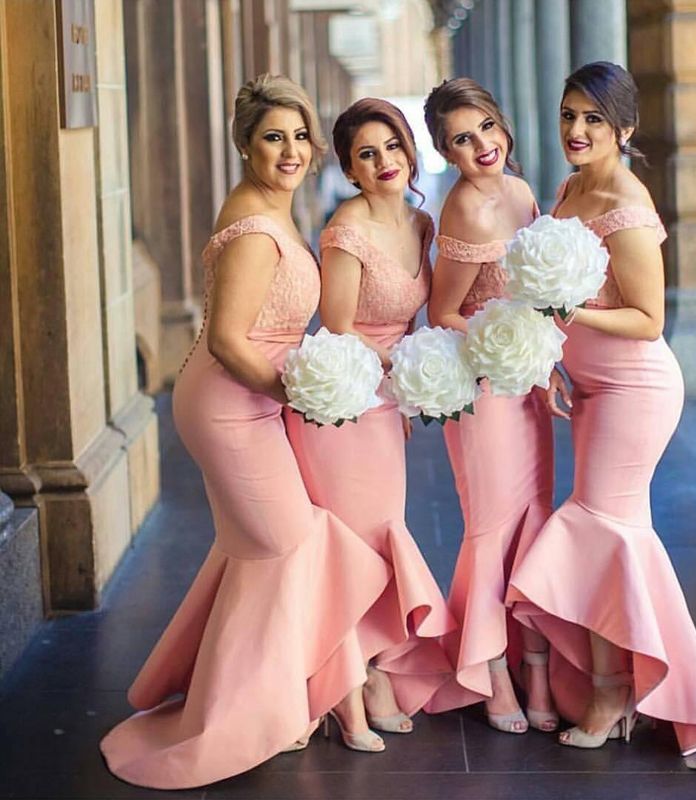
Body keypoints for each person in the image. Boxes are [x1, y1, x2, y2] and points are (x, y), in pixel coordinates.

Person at [99, 74, 392, 789]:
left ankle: (273, 701)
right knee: (291, 542)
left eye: (299, 136)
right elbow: (231, 340)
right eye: (272, 137)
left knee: (258, 552)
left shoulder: (273, 208)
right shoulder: (259, 229)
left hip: (249, 398)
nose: (289, 150)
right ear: (244, 146)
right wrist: (297, 394)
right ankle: (257, 711)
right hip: (231, 402)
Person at [509, 61, 696, 754]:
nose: (576, 130)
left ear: (625, 128)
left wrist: (569, 310)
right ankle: (629, 684)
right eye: (568, 115)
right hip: (588, 385)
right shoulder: (570, 186)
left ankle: (616, 689)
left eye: (593, 119)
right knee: (607, 528)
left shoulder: (627, 203)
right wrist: (550, 351)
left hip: (636, 388)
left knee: (599, 524)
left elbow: (646, 318)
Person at [284, 98, 454, 737]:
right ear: (351, 171)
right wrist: (402, 364)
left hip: (384, 405)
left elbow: (417, 314)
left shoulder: (421, 223)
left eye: (392, 147)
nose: (384, 162)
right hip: (343, 401)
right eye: (366, 154)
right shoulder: (345, 229)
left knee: (384, 534)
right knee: (351, 550)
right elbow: (338, 327)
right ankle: (348, 688)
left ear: (410, 151)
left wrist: (411, 389)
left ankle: (373, 670)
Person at [422, 78, 557, 734]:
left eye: (486, 129)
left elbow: (535, 295)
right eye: (461, 139)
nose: (481, 146)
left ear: (502, 126)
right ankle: (492, 667)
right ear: (446, 152)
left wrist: (543, 357)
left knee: (534, 515)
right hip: (482, 384)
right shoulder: (465, 211)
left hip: (529, 380)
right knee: (491, 525)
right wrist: (499, 347)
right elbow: (443, 309)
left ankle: (537, 662)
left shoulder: (524, 193)